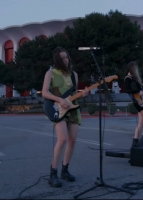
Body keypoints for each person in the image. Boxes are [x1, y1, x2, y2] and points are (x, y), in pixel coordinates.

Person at [42, 46, 89, 188]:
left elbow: (73, 93)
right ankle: (53, 173)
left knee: (72, 141)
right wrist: (59, 99)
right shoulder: (51, 73)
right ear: (57, 60)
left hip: (73, 108)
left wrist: (84, 93)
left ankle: (65, 170)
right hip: (58, 108)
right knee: (62, 139)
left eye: (66, 57)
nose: (65, 60)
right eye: (62, 58)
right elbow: (44, 93)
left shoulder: (74, 74)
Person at [124, 61, 143, 148]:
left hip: (140, 101)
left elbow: (140, 91)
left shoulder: (134, 79)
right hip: (138, 102)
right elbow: (127, 90)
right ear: (133, 68)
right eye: (136, 67)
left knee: (141, 122)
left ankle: (135, 142)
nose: (137, 69)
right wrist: (138, 91)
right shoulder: (128, 79)